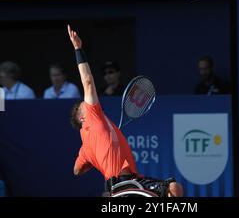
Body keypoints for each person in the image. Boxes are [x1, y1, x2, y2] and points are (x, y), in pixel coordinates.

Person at [67, 25, 183, 197]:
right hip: (121, 185)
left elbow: (76, 170)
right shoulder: (93, 116)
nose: (90, 101)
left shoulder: (86, 148)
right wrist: (78, 48)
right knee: (173, 190)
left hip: (131, 181)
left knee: (173, 188)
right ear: (82, 118)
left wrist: (94, 157)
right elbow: (88, 81)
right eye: (85, 104)